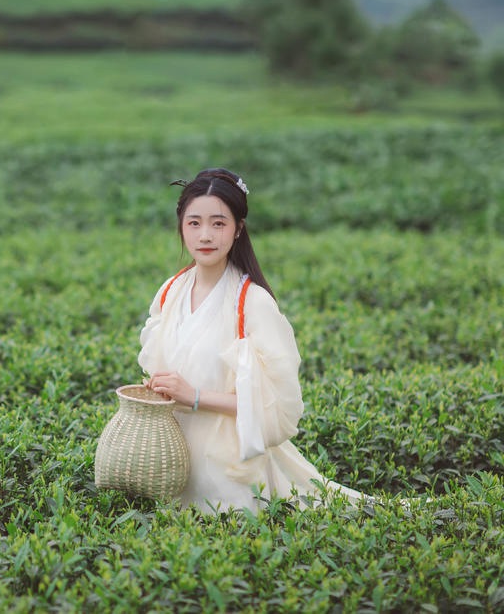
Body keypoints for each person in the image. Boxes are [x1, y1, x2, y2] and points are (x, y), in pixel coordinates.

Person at [138, 168, 364, 513]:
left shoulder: (252, 302)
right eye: (194, 223)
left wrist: (195, 397)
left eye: (219, 223)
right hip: (169, 461)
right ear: (181, 226)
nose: (205, 235)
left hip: (228, 467)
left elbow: (275, 407)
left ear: (238, 229)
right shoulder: (171, 291)